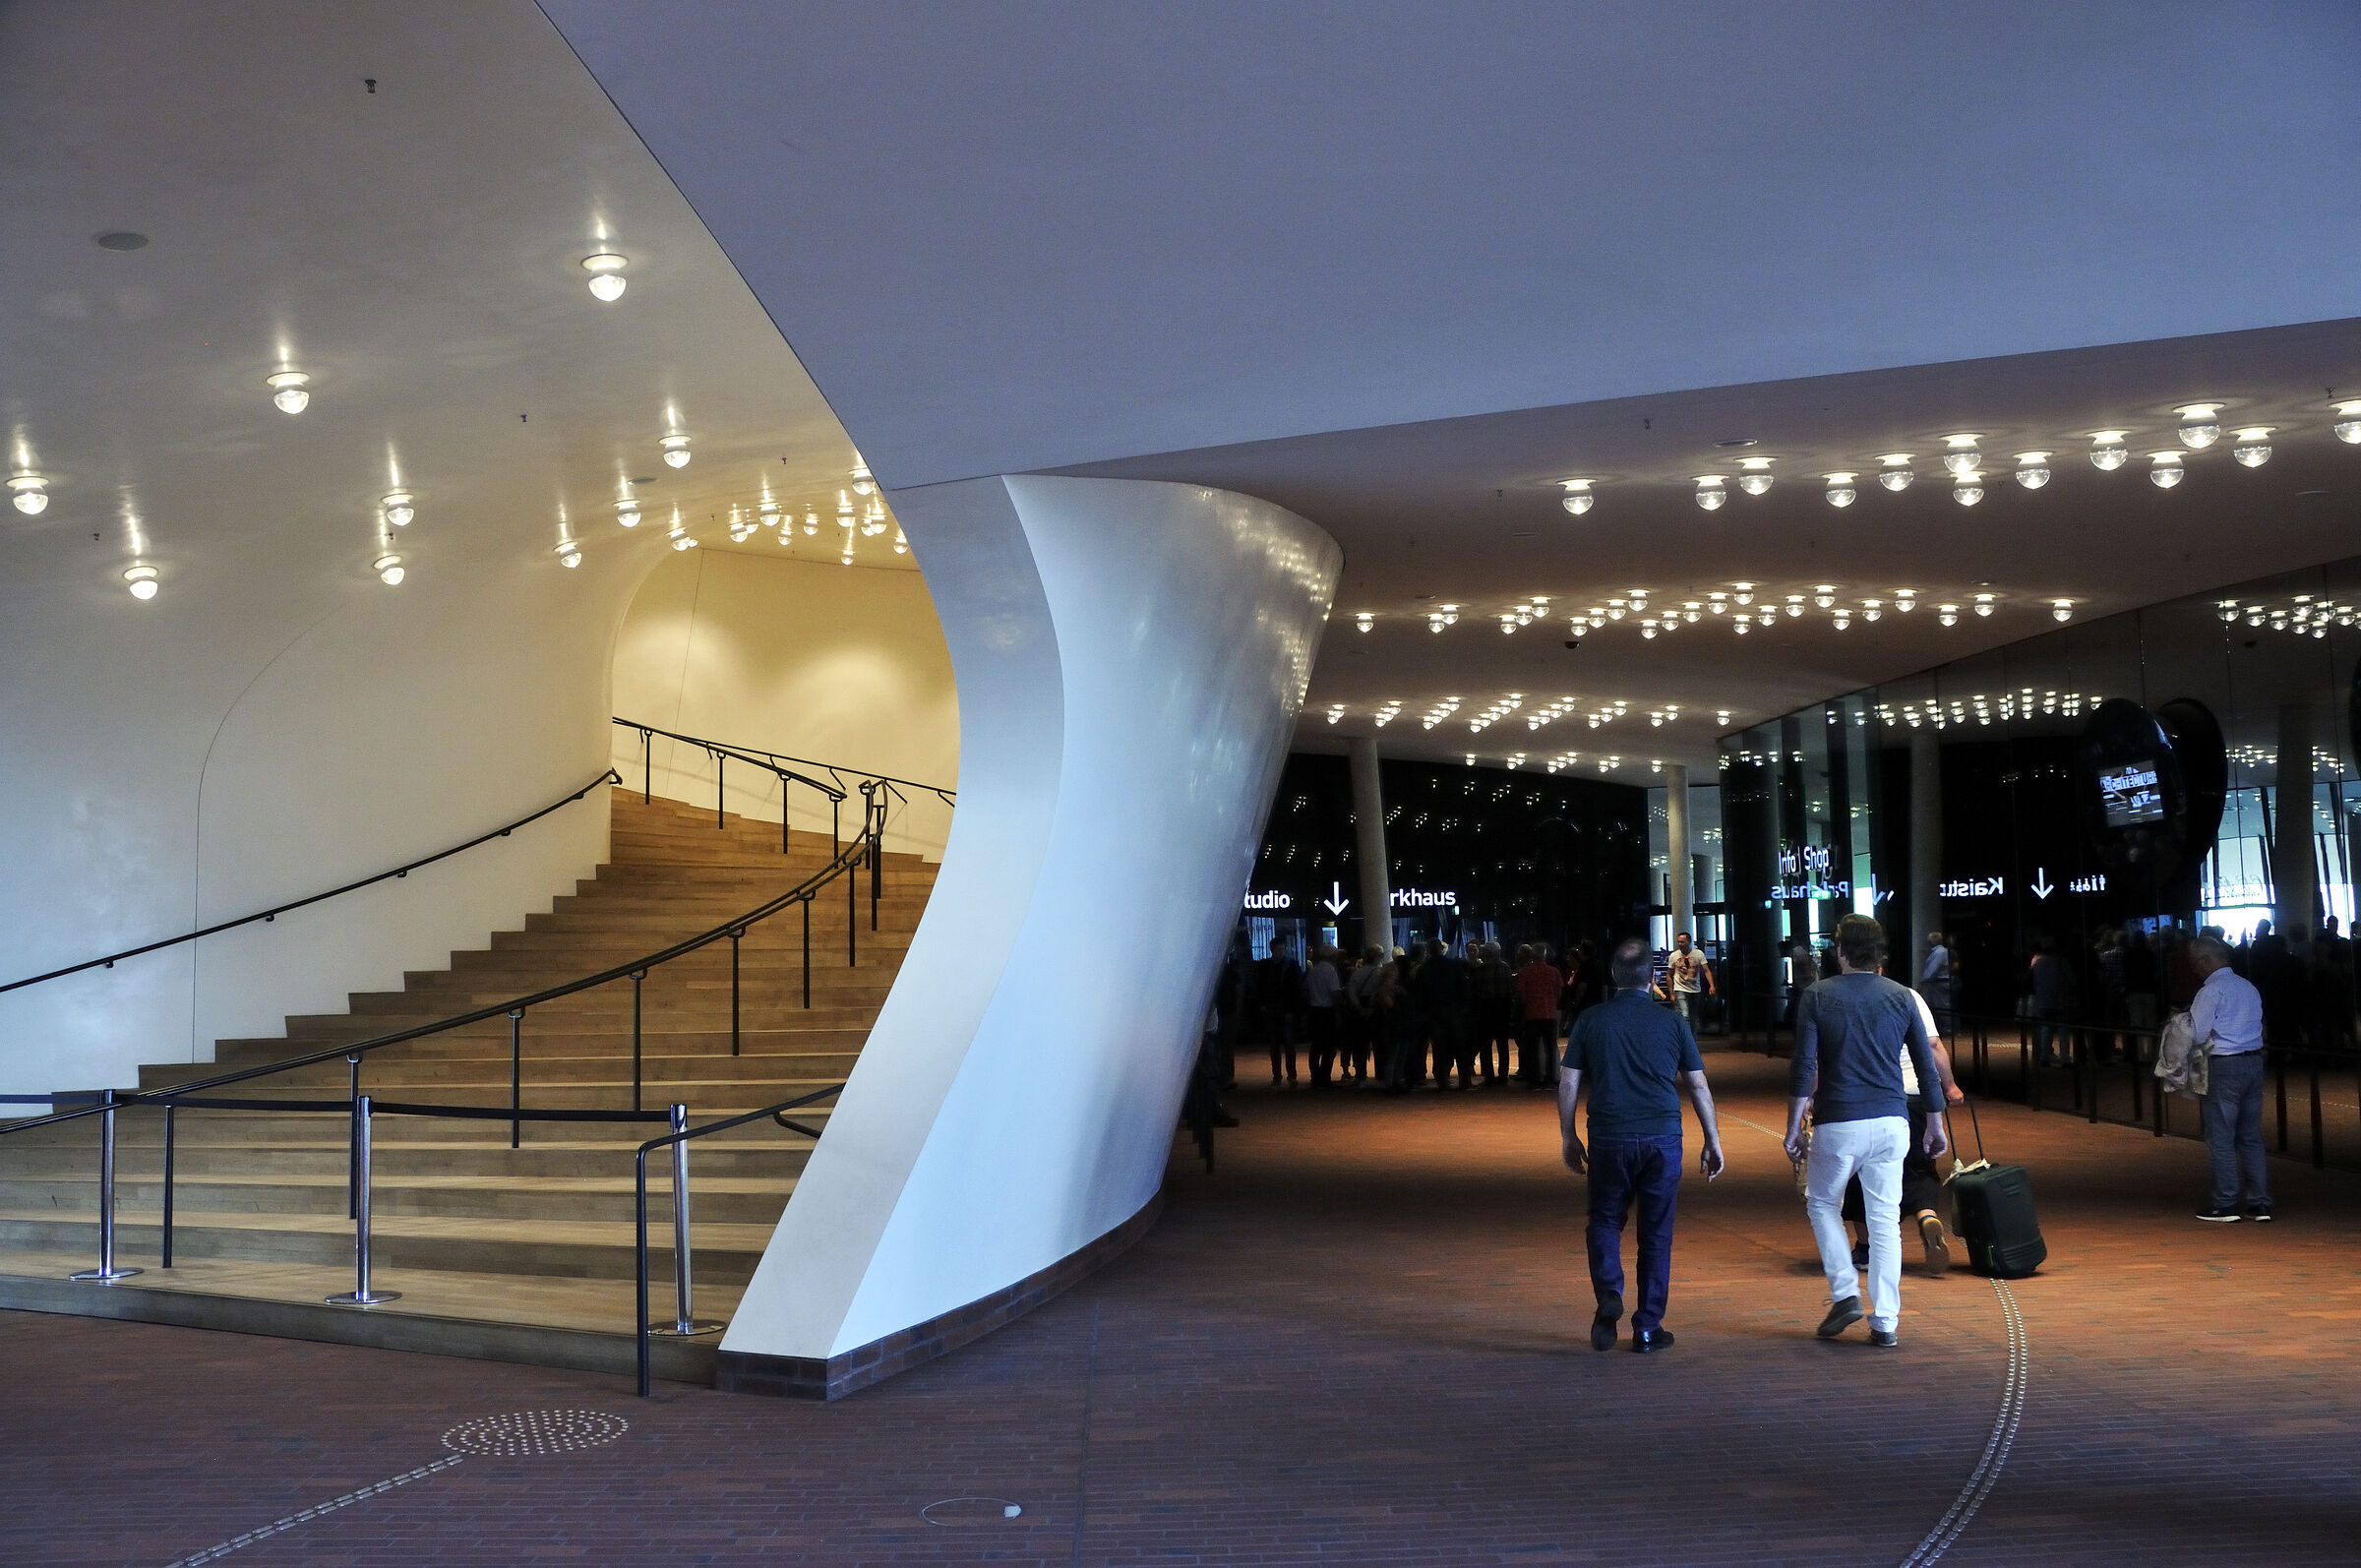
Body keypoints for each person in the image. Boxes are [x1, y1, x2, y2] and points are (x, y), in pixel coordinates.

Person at [1783, 915, 1947, 1348]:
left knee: (1821, 1203)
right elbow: (1927, 1068)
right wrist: (1935, 1122)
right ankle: (1886, 1321)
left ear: (1840, 950)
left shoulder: (1817, 996)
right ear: (1880, 953)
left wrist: (1793, 1127)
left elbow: (1804, 1067)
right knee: (1885, 1220)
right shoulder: (1902, 997)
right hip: (1893, 1122)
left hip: (1840, 1120)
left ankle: (1844, 1293)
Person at [1560, 937, 1725, 1354]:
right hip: (1663, 1137)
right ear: (1652, 978)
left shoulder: (1591, 1021)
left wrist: (1568, 1135)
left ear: (1614, 976)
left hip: (1610, 1134)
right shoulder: (1673, 1023)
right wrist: (1712, 1138)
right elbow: (1698, 1084)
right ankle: (1648, 1327)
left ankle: (1609, 1296)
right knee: (1656, 1235)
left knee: (1604, 1221)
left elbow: (1569, 1081)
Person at [1844, 981, 1965, 1278]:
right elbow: (1933, 1045)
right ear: (1880, 967)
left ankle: (1866, 1248)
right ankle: (1927, 1216)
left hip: (1869, 1100)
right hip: (1915, 1096)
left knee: (1863, 1174)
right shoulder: (1908, 996)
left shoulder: (1840, 997)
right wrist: (1949, 1085)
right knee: (1918, 1167)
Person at [2190, 934, 2270, 1222]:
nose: (2195, 970)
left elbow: (2198, 1034)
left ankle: (2225, 1203)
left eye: (2195, 964)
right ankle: (2260, 1202)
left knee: (2221, 1137)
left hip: (2224, 1065)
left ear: (2205, 960)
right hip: (2252, 1061)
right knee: (2251, 1137)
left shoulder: (2210, 991)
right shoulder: (2248, 987)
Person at [1516, 943, 1566, 1088]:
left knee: (1532, 1049)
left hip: (1532, 1014)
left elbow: (1522, 994)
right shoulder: (1554, 972)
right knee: (1550, 1047)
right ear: (1545, 955)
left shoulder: (1525, 972)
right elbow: (1559, 992)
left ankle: (1534, 1079)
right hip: (1550, 1013)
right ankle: (1550, 1078)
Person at [1473, 941, 1518, 1084]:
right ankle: (1503, 1075)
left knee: (1485, 1045)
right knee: (1502, 1044)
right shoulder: (1506, 967)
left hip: (1486, 1009)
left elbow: (1476, 990)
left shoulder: (1482, 969)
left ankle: (1489, 1076)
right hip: (1503, 1009)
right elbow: (1511, 990)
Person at [2028, 937, 2076, 1067]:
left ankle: (2044, 1057)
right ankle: (2065, 1059)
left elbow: (2034, 981)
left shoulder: (2038, 963)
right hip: (2060, 999)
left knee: (2046, 1028)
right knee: (2063, 1030)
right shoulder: (2061, 961)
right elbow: (2072, 980)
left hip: (2043, 1000)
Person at [1655, 931, 1716, 1027]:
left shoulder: (1698, 954)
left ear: (1689, 942)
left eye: (1682, 942)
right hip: (1680, 989)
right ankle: (1686, 1038)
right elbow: (1669, 974)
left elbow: (1706, 970)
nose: (1680, 944)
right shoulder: (1674, 956)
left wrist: (1711, 985)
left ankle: (1691, 1038)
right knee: (1685, 1015)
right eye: (1678, 942)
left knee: (1693, 1017)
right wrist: (1671, 993)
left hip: (1695, 989)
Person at [1303, 944, 1343, 1086]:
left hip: (1314, 1011)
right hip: (1327, 1011)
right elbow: (1335, 993)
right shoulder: (1331, 970)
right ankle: (1325, 1077)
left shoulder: (1313, 970)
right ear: (1332, 956)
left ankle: (1315, 1077)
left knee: (1316, 1046)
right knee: (1329, 1048)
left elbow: (1306, 991)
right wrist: (1338, 1011)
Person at [1919, 930, 1954, 1040]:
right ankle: (1945, 1029)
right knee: (1939, 1007)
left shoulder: (1939, 953)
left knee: (1941, 1007)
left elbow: (1931, 970)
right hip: (1938, 983)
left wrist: (1922, 982)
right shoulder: (1939, 952)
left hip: (1939, 983)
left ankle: (1946, 1030)